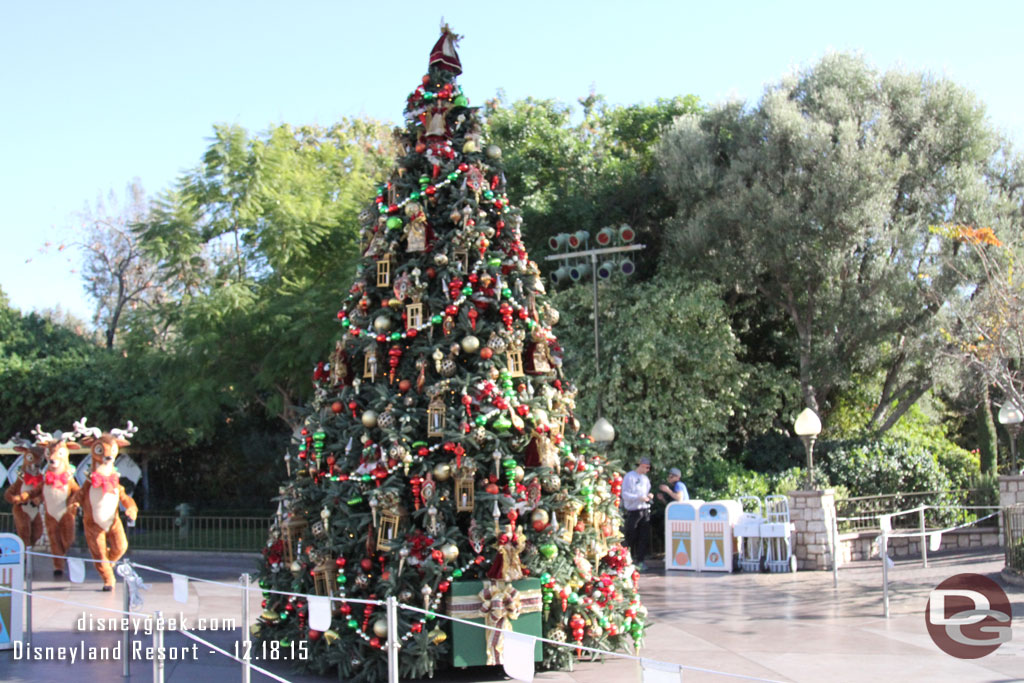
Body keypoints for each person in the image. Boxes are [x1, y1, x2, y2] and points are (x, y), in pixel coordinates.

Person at [621, 457, 653, 571]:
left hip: (644, 510)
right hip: (633, 510)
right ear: (641, 465)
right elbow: (625, 494)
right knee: (631, 535)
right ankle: (626, 559)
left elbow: (647, 491)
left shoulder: (645, 479)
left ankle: (640, 560)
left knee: (643, 537)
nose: (648, 470)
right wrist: (638, 498)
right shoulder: (630, 476)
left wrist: (649, 496)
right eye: (646, 467)